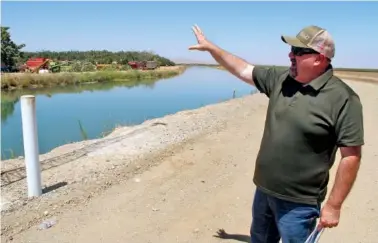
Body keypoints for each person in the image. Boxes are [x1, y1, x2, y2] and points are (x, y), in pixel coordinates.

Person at [189, 24, 364, 243]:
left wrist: (333, 205)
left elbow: (351, 156)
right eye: (292, 49)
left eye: (299, 52)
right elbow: (244, 69)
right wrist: (211, 48)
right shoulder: (281, 79)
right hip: (264, 190)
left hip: (300, 203)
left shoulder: (343, 99)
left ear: (319, 59)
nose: (290, 55)